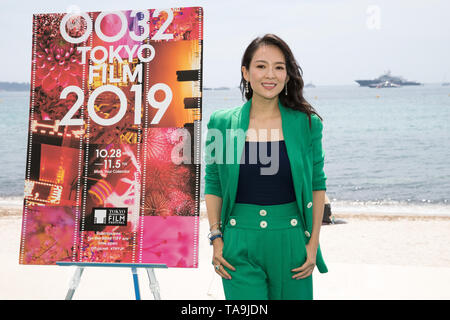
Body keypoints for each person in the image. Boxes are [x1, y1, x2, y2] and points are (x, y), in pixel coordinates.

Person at [204, 34, 328, 300]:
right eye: (261, 66)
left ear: (287, 75)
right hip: (238, 244)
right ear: (246, 73)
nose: (270, 74)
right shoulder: (222, 123)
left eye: (279, 67)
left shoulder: (307, 124)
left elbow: (318, 185)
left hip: (292, 243)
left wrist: (312, 244)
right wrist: (216, 240)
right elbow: (213, 182)